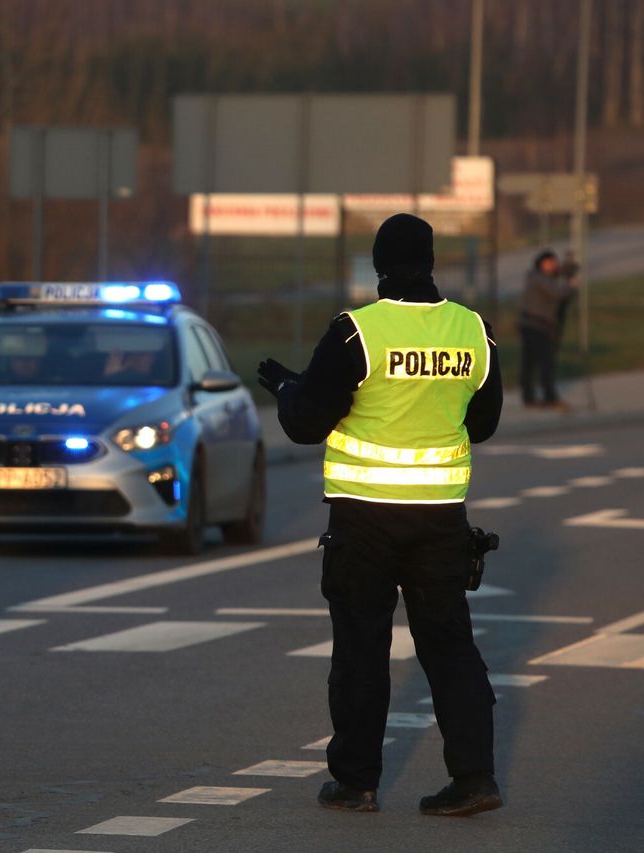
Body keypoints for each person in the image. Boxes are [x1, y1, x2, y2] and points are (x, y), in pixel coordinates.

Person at [257, 213, 504, 817]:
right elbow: (484, 424)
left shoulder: (355, 333)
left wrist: (288, 388)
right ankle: (474, 781)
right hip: (440, 518)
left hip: (365, 519)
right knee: (449, 648)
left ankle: (356, 782)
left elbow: (308, 423)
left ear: (376, 265)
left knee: (363, 648)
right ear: (432, 260)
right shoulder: (473, 332)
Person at [518, 250, 578, 410]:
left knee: (530, 363)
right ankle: (548, 397)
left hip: (535, 325)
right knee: (545, 363)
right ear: (542, 264)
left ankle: (529, 398)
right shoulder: (538, 279)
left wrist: (569, 266)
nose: (553, 266)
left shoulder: (542, 277)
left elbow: (560, 276)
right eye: (550, 262)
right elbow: (557, 292)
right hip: (535, 326)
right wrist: (570, 285)